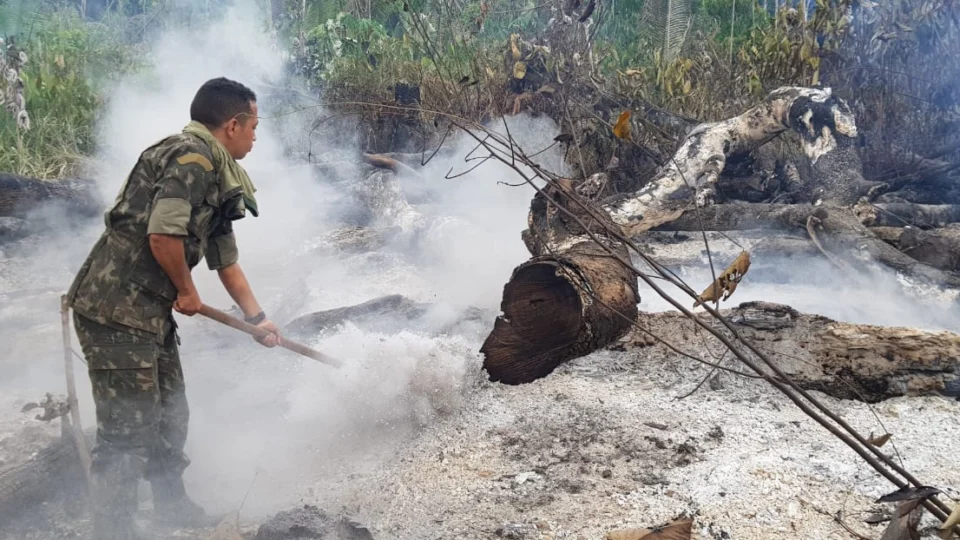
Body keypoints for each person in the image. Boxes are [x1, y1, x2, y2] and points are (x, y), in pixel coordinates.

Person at [65, 77, 281, 539]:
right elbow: (162, 236)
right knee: (127, 433)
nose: (256, 137)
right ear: (233, 124)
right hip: (114, 309)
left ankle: (170, 508)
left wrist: (258, 320)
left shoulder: (219, 175)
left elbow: (227, 261)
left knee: (171, 412)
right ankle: (114, 530)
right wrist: (186, 290)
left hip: (148, 313)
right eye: (254, 127)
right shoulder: (191, 158)